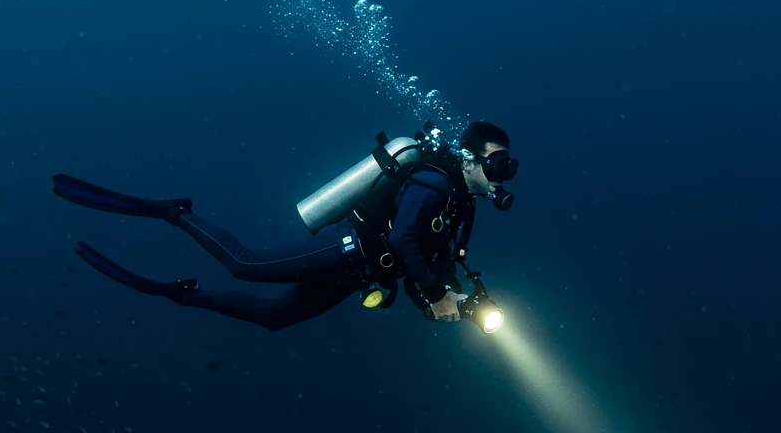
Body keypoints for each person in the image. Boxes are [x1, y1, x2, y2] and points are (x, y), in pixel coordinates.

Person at [51, 121, 516, 332]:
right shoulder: (434, 182)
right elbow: (401, 239)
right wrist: (437, 292)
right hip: (349, 252)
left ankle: (185, 293)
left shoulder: (462, 208)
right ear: (472, 157)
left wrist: (446, 300)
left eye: (507, 167)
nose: (501, 174)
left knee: (276, 318)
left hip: (361, 275)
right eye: (497, 163)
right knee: (243, 264)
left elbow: (424, 262)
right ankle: (176, 212)